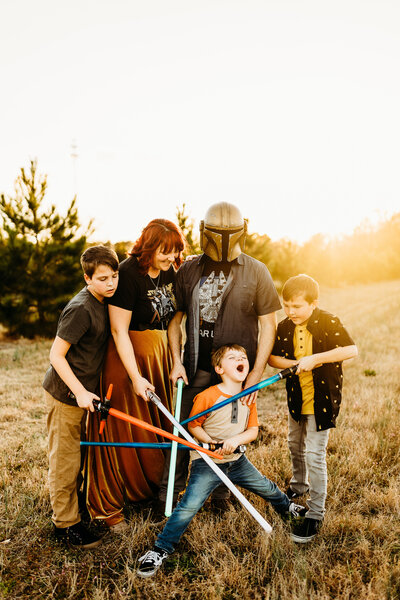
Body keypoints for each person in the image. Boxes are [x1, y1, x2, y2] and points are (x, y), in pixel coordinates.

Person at [137, 344, 305, 577]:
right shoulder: (208, 396)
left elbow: (253, 431)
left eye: (243, 357)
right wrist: (210, 443)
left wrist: (235, 440)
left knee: (266, 487)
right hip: (207, 463)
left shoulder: (249, 396)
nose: (240, 359)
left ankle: (287, 508)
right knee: (188, 507)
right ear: (219, 368)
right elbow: (193, 425)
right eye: (233, 357)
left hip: (236, 460)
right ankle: (159, 549)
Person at [160, 202, 281, 508]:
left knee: (229, 433)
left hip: (236, 376)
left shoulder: (256, 271)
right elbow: (176, 320)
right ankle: (169, 495)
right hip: (195, 368)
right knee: (182, 433)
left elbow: (269, 325)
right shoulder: (188, 269)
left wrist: (254, 375)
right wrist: (176, 362)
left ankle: (220, 496)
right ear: (205, 232)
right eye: (218, 233)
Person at [85, 219, 186, 531]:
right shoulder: (129, 273)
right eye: (166, 252)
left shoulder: (171, 271)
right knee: (128, 428)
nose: (172, 258)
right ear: (150, 247)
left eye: (176, 252)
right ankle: (116, 500)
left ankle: (148, 492)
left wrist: (176, 360)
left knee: (158, 426)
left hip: (158, 356)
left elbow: (173, 322)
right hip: (127, 360)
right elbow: (118, 330)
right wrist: (135, 376)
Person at [268, 274, 358, 543]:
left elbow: (351, 349)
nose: (290, 311)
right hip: (297, 399)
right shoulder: (284, 326)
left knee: (314, 454)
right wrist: (295, 364)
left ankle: (316, 513)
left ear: (313, 304)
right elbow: (273, 358)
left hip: (322, 402)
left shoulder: (328, 321)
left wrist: (316, 359)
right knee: (294, 444)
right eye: (286, 305)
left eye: (297, 306)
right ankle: (298, 486)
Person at [43, 245, 119, 548]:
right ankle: (66, 526)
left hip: (84, 393)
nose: (110, 283)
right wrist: (80, 392)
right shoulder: (81, 308)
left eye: (113, 276)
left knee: (80, 457)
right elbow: (56, 356)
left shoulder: (105, 300)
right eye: (102, 278)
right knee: (65, 461)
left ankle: (76, 510)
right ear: (87, 278)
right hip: (66, 395)